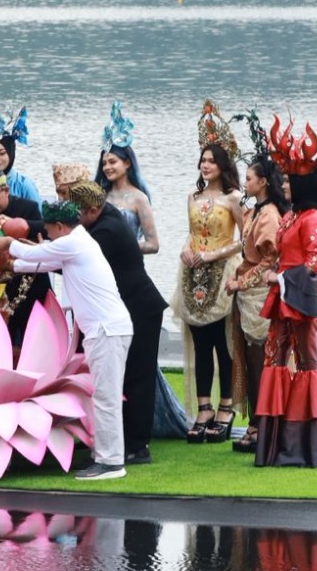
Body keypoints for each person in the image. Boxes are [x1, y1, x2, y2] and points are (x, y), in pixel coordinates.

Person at [0, 200, 133, 481]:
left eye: (50, 229)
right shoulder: (74, 244)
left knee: (106, 398)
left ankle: (112, 462)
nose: (48, 233)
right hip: (104, 331)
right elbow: (42, 262)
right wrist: (10, 264)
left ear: (59, 226)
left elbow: (39, 251)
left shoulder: (74, 243)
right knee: (104, 397)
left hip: (107, 331)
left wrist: (7, 244)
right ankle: (105, 457)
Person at [66, 181, 186, 464]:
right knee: (121, 378)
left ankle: (137, 445)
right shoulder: (104, 218)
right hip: (126, 308)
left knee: (137, 377)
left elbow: (67, 259)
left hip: (140, 308)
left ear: (94, 209)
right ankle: (117, 438)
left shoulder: (106, 231)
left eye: (78, 213)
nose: (75, 219)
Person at [254, 115, 317, 468]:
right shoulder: (291, 217)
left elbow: (315, 264)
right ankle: (274, 442)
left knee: (305, 362)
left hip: (298, 299)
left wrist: (280, 280)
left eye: (289, 181)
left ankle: (301, 446)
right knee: (274, 359)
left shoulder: (312, 219)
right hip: (284, 296)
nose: (284, 186)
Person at [171, 100, 244, 445]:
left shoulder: (234, 198)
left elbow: (245, 240)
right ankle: (203, 407)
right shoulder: (192, 196)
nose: (205, 165)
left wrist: (215, 253)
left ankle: (226, 405)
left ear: (223, 164)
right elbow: (190, 231)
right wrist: (187, 249)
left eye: (211, 160)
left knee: (221, 341)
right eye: (202, 160)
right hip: (193, 272)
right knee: (200, 341)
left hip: (220, 271)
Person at [225, 153, 286, 454]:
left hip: (259, 296)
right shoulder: (255, 212)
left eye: (249, 178)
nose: (244, 182)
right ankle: (256, 424)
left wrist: (241, 282)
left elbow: (269, 261)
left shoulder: (269, 214)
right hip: (248, 296)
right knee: (251, 363)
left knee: (261, 363)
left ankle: (262, 425)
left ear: (262, 182)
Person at [0, 168, 52, 344]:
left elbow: (45, 229)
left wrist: (17, 226)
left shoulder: (27, 207)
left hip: (28, 288)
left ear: (6, 190)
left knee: (32, 343)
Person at [94, 101, 159, 254]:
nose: (107, 168)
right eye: (104, 163)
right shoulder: (100, 195)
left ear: (127, 163)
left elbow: (153, 244)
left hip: (128, 265)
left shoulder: (139, 198)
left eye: (112, 162)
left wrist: (123, 246)